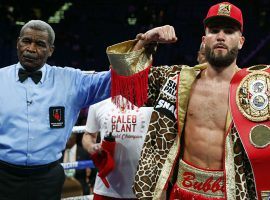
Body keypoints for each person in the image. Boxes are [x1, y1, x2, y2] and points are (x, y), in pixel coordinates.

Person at [106, 2, 270, 200]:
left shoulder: (259, 89)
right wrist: (145, 40)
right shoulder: (178, 80)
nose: (220, 36)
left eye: (229, 31)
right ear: (204, 39)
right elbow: (126, 83)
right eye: (214, 30)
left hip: (232, 193)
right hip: (181, 191)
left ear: (241, 41)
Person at [0, 20, 111, 200]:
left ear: (51, 50)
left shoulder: (71, 80)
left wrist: (143, 46)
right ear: (17, 43)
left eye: (40, 44)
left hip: (48, 178)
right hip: (3, 175)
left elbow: (114, 80)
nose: (31, 49)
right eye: (26, 41)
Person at [82, 97, 153, 199]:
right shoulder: (99, 102)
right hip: (106, 187)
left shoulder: (150, 102)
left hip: (142, 186)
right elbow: (89, 134)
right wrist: (91, 146)